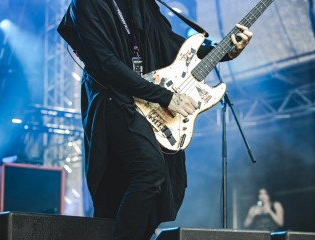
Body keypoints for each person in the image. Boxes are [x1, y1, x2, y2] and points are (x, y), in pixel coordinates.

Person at [57, 1, 252, 240]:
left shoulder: (142, 4)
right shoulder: (87, 4)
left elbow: (174, 45)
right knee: (149, 170)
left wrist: (222, 50)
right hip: (113, 99)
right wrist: (165, 96)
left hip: (147, 102)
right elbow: (105, 62)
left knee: (158, 186)